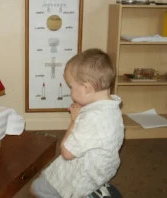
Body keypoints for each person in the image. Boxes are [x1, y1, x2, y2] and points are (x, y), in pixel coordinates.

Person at [30, 48, 125, 198]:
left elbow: (67, 152)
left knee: (36, 189)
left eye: (71, 87)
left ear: (87, 88)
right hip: (103, 170)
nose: (70, 91)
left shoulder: (92, 119)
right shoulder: (112, 107)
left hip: (83, 175)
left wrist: (74, 121)